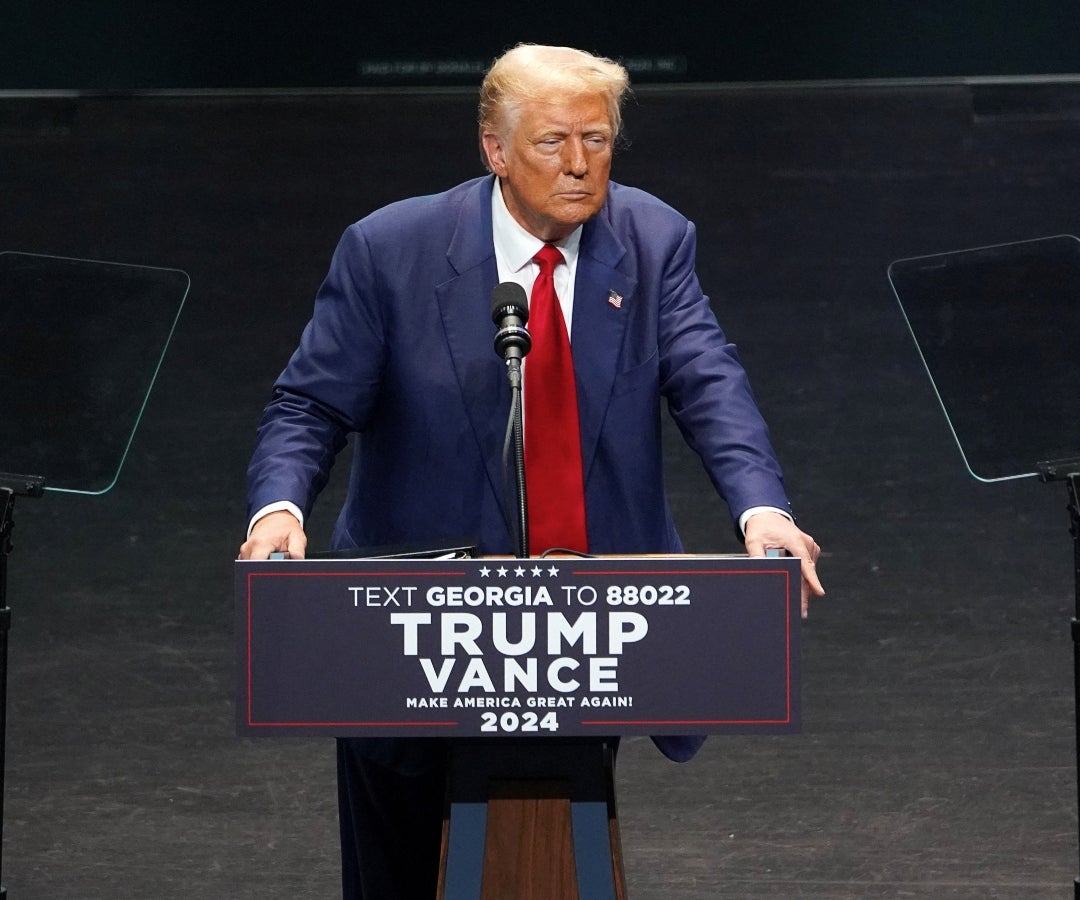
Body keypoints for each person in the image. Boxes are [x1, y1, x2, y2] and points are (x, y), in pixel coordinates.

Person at [239, 43, 823, 899]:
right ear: (494, 149)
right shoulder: (392, 248)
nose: (580, 164)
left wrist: (761, 510)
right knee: (397, 872)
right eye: (552, 141)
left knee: (554, 847)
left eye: (598, 138)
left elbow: (709, 383)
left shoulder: (653, 240)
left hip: (581, 629)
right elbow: (310, 406)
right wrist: (278, 510)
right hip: (412, 633)